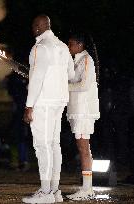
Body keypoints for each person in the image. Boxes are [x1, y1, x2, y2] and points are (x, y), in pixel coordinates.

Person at [22, 14, 75, 204]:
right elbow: (71, 74)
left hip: (43, 102)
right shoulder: (62, 46)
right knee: (54, 145)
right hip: (59, 100)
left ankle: (46, 193)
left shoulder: (40, 47)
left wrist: (29, 106)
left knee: (42, 146)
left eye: (32, 26)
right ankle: (54, 190)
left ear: (37, 27)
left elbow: (36, 79)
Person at [66, 33, 100, 200]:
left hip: (83, 112)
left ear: (80, 44)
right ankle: (87, 188)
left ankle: (87, 189)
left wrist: (64, 87)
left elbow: (84, 85)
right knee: (84, 149)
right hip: (77, 111)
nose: (68, 46)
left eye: (70, 44)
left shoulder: (86, 60)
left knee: (83, 149)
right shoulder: (77, 60)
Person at [4, 71, 31, 171]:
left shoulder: (20, 78)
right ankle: (21, 160)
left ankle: (23, 161)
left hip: (24, 110)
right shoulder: (15, 77)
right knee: (19, 135)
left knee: (22, 135)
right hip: (20, 110)